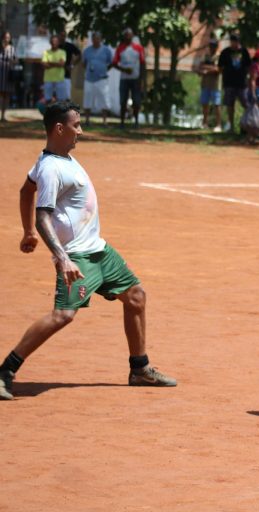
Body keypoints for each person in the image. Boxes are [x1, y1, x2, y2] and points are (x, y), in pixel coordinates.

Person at [0, 101, 176, 401]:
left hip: (99, 250)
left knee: (136, 297)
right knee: (62, 315)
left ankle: (140, 369)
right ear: (59, 128)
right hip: (77, 256)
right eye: (76, 125)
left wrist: (26, 231)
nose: (80, 131)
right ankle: (5, 371)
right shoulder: (52, 168)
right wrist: (62, 257)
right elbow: (44, 215)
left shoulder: (57, 159)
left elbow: (25, 190)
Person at [112, 28, 145, 129]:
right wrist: (124, 70)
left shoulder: (138, 48)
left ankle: (136, 122)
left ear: (132, 36)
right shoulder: (120, 48)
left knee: (136, 101)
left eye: (129, 35)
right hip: (124, 79)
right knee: (123, 101)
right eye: (126, 35)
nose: (128, 37)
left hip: (135, 79)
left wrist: (141, 79)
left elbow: (143, 63)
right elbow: (114, 63)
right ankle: (122, 122)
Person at [81, 32, 113, 126]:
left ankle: (104, 121)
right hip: (89, 79)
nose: (96, 40)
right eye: (94, 39)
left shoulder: (106, 50)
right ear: (92, 39)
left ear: (101, 39)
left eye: (98, 39)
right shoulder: (87, 51)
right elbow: (83, 63)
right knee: (87, 99)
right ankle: (87, 120)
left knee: (104, 99)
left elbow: (110, 63)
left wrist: (103, 70)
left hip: (102, 79)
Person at [197, 37, 222, 131]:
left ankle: (218, 125)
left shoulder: (219, 56)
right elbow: (200, 66)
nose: (212, 47)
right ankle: (204, 123)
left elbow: (218, 69)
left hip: (215, 85)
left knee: (216, 105)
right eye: (211, 45)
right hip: (205, 84)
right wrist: (209, 68)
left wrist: (206, 69)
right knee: (205, 104)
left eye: (213, 45)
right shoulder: (206, 56)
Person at [42, 35, 67, 103]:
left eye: (56, 41)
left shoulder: (62, 52)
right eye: (52, 41)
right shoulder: (46, 52)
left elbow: (62, 64)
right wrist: (57, 64)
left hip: (59, 78)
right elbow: (44, 65)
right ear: (50, 42)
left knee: (61, 100)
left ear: (58, 43)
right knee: (48, 99)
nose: (54, 43)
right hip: (48, 78)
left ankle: (60, 113)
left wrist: (50, 63)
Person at [58, 31, 81, 102]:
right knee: (58, 96)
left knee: (67, 96)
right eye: (61, 35)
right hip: (55, 74)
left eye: (64, 36)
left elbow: (79, 54)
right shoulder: (55, 46)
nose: (62, 37)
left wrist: (72, 65)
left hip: (66, 74)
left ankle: (67, 111)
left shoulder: (69, 46)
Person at [0, 31, 18, 122]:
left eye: (8, 37)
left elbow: (16, 60)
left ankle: (3, 115)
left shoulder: (12, 49)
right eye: (5, 37)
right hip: (0, 73)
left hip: (8, 74)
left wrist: (12, 61)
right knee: (1, 95)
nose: (7, 39)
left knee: (6, 95)